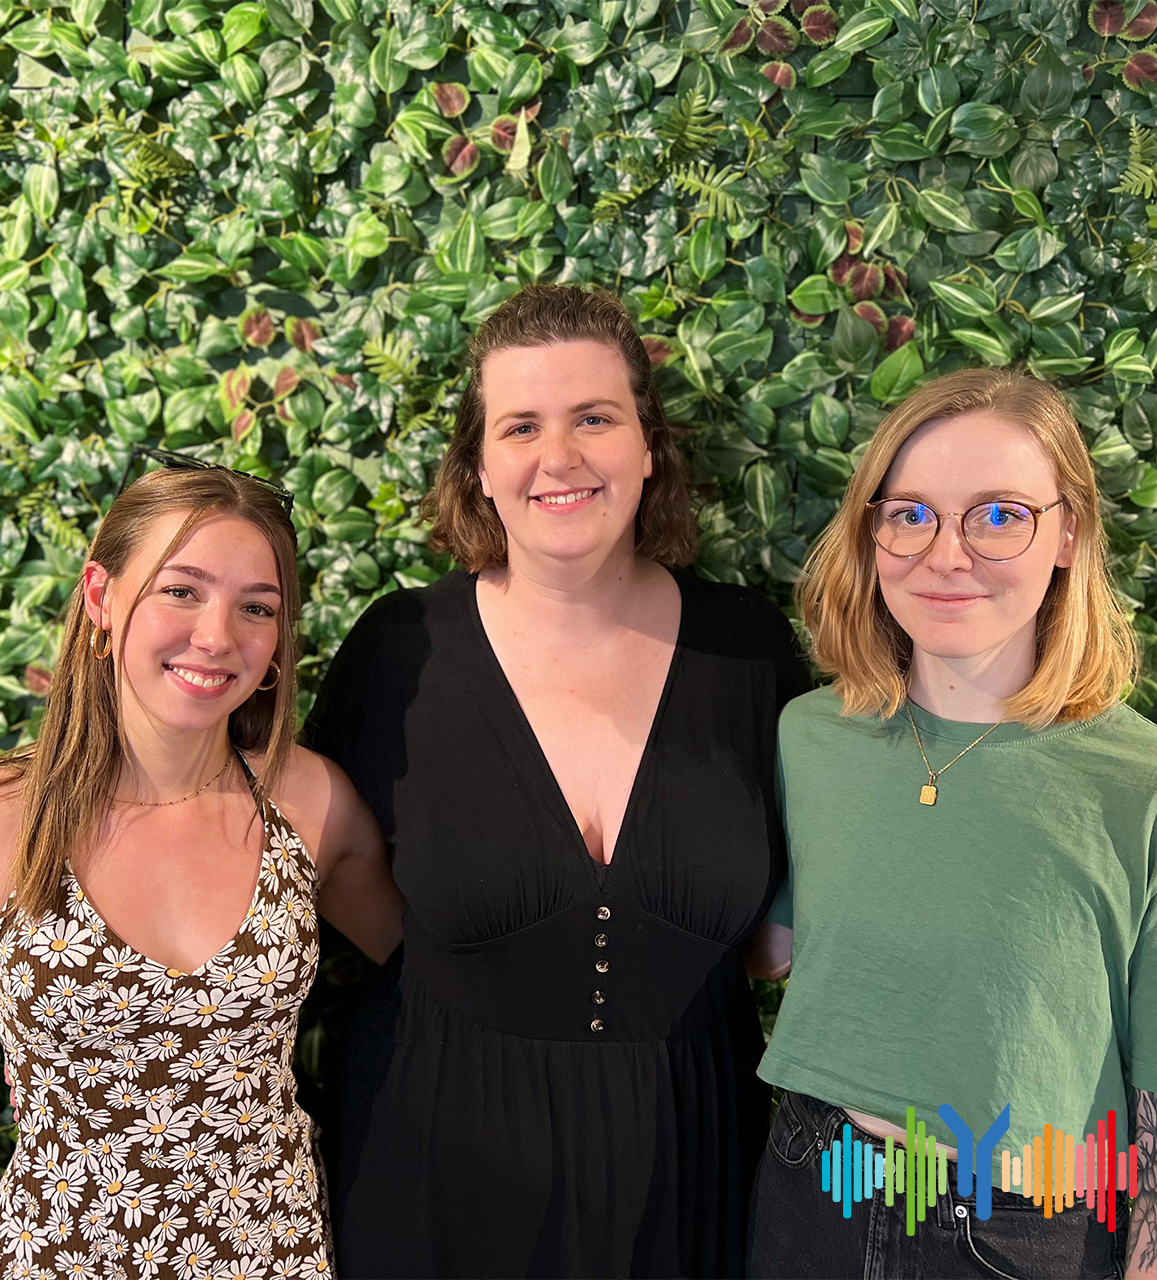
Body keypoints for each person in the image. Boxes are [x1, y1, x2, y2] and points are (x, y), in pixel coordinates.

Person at [300, 283, 811, 1279]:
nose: (558, 455)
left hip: (687, 1175)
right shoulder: (399, 652)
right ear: (479, 467)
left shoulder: (747, 652)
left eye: (594, 418)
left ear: (648, 447)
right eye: (520, 425)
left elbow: (772, 937)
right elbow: (315, 871)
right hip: (430, 1173)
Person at [0, 458, 403, 1279]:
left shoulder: (309, 803)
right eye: (182, 590)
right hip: (53, 1259)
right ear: (100, 597)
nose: (217, 636)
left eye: (257, 608)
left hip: (271, 1259)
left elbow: (428, 975)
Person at [745, 368, 1157, 1278]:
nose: (946, 555)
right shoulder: (812, 736)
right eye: (909, 514)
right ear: (870, 533)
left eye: (999, 514)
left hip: (1027, 1221)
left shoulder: (1150, 784)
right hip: (816, 1180)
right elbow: (771, 941)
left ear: (1067, 533)